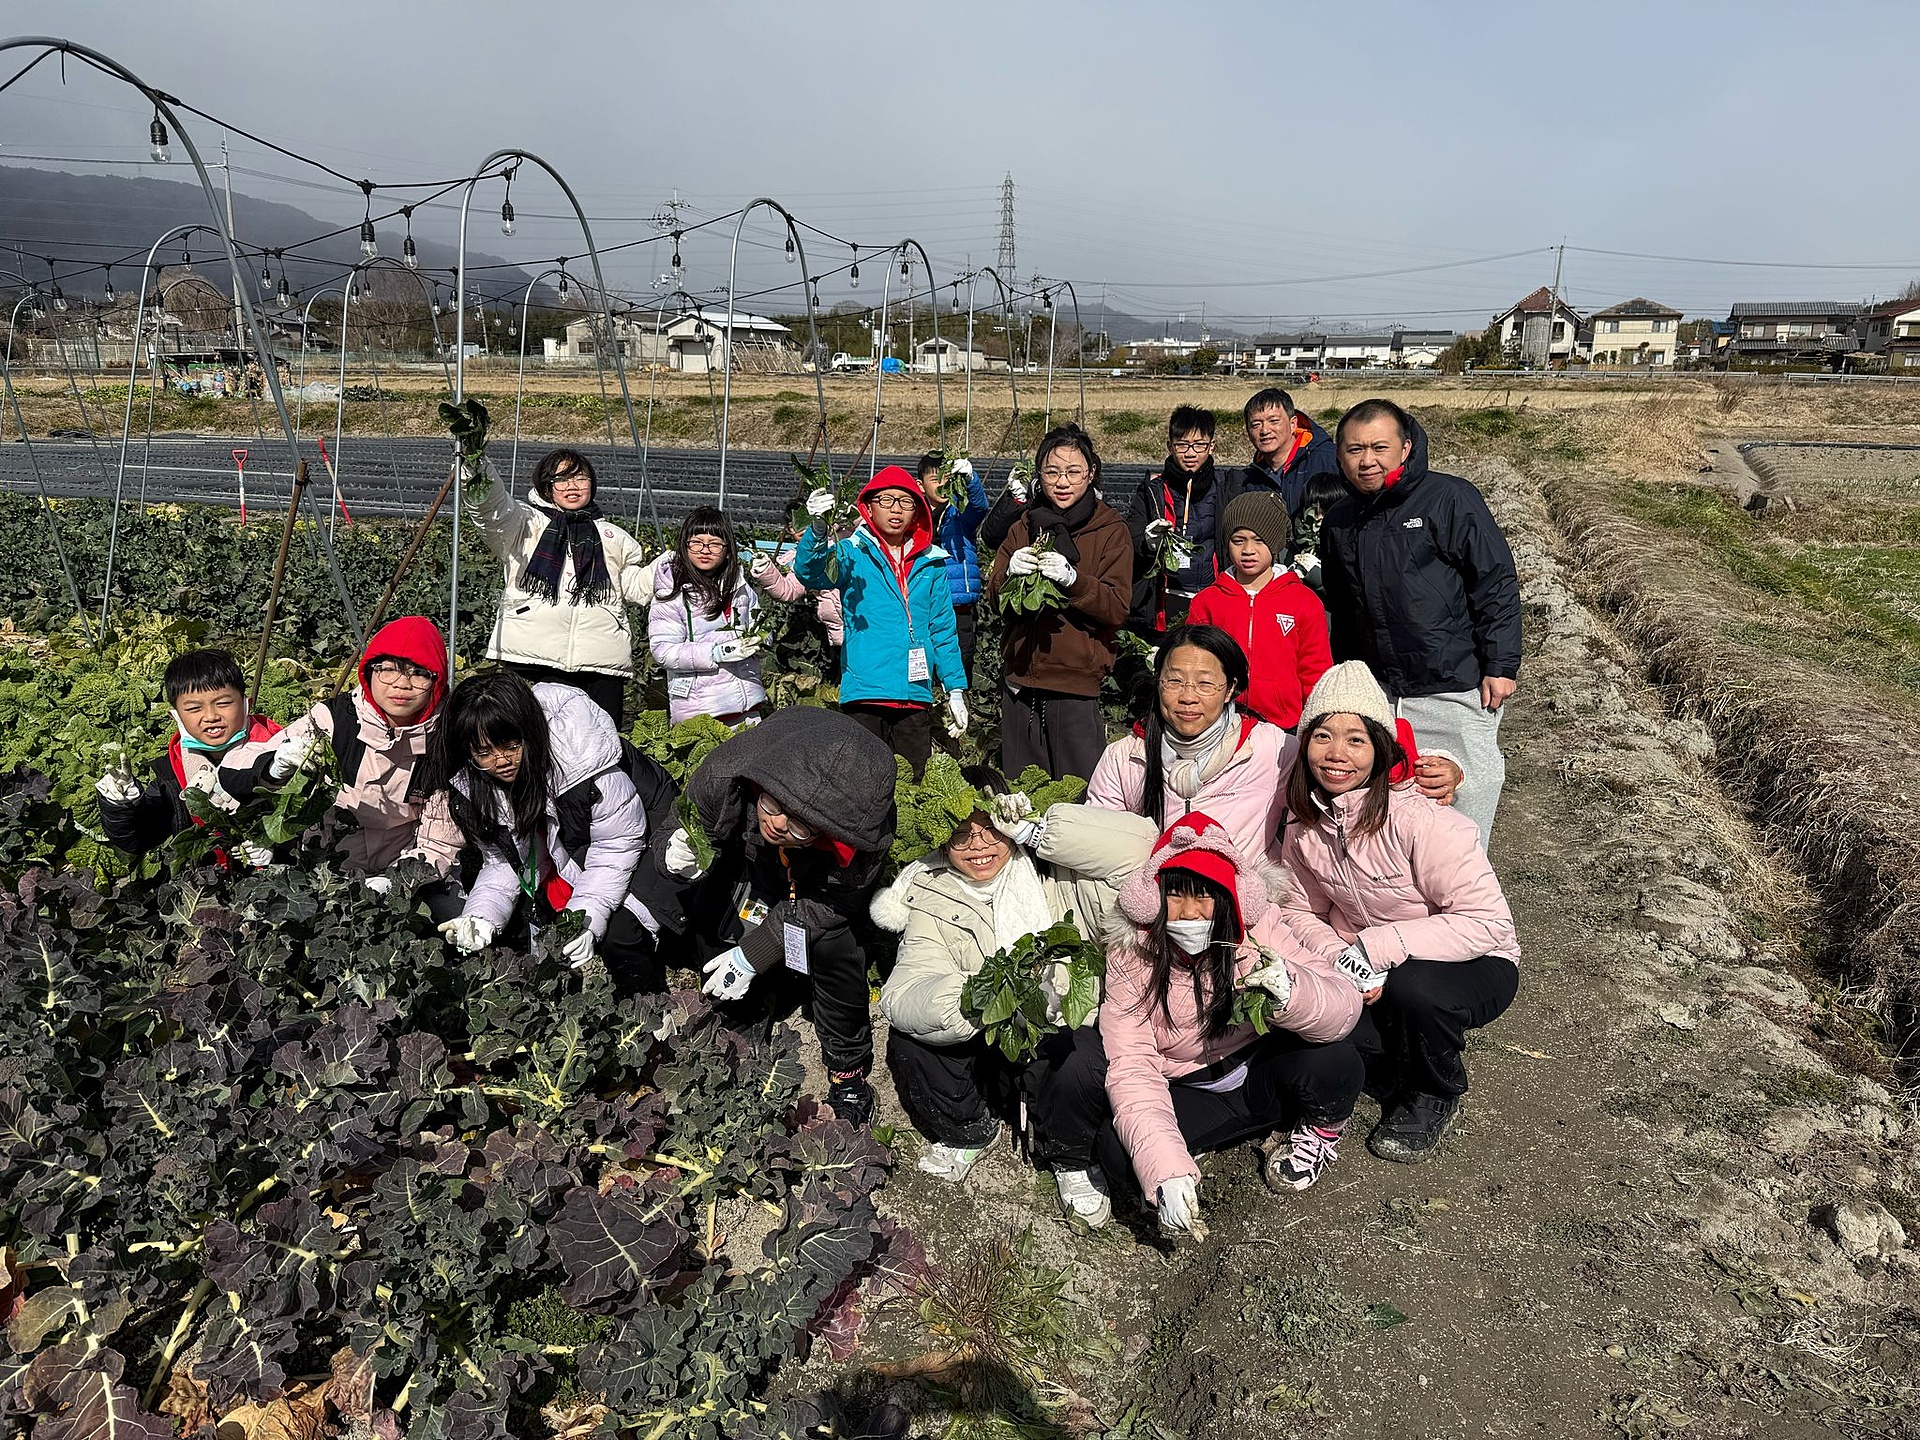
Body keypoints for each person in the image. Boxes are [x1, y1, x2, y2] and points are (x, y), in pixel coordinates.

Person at [875, 771, 1157, 1225]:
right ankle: (968, 1130)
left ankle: (1069, 1158)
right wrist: (977, 997)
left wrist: (1038, 831)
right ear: (942, 842)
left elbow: (1139, 847)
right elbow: (907, 986)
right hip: (985, 1032)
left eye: (991, 829)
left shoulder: (1053, 872)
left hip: (1057, 1023)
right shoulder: (930, 890)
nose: (979, 845)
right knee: (909, 1041)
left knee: (1082, 1058)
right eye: (961, 834)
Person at [1279, 661, 1520, 1162]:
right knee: (1312, 1015)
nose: (1337, 754)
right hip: (1363, 959)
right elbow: (1300, 911)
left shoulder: (1420, 819)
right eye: (1322, 736)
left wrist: (1377, 948)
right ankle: (1392, 1064)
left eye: (1356, 740)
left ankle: (1435, 1090)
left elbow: (1487, 922)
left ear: (1381, 748)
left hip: (1471, 959)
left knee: (1415, 993)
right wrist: (1342, 958)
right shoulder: (1304, 827)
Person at [1093, 813, 1365, 1236]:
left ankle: (1319, 1130)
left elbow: (1343, 1004)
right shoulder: (1132, 955)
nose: (1189, 914)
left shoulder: (1259, 930)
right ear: (1154, 899)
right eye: (1175, 895)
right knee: (1117, 1153)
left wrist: (1291, 993)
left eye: (1205, 896)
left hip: (1261, 1068)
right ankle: (1192, 1150)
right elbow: (1132, 1065)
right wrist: (1165, 1170)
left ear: (1229, 897)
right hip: (1191, 1085)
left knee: (1337, 1060)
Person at [671, 706, 898, 1125]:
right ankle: (747, 1012)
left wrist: (752, 955)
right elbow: (680, 820)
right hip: (746, 861)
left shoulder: (864, 835)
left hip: (814, 889)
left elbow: (829, 906)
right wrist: (674, 855)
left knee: (833, 946)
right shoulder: (726, 774)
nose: (777, 825)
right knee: (714, 912)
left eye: (799, 826)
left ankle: (848, 1072)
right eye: (773, 806)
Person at [1319, 399, 1522, 844]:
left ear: (1405, 448)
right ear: (1339, 455)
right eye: (1354, 450)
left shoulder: (1449, 498)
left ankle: (1470, 884)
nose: (1367, 460)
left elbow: (1494, 581)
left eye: (1379, 448)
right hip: (1379, 690)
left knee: (1465, 800)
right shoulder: (1338, 520)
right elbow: (1341, 606)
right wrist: (1349, 679)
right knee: (1390, 810)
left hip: (1452, 683)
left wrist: (1501, 664)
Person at [429, 670, 661, 992]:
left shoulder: (586, 764)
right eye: (484, 753)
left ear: (530, 730)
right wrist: (481, 916)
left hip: (652, 844)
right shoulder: (477, 784)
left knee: (621, 931)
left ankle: (646, 1003)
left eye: (511, 745)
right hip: (573, 851)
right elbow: (504, 862)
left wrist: (588, 917)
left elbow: (617, 846)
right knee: (524, 915)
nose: (501, 760)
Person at [221, 616, 463, 891]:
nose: (401, 684)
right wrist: (274, 767)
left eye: (419, 673)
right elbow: (233, 769)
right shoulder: (334, 720)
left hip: (408, 871)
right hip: (324, 868)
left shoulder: (446, 742)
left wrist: (394, 882)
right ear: (369, 671)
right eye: (388, 669)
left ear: (437, 681)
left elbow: (440, 844)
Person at [463, 447, 659, 726]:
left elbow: (637, 586)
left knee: (600, 741)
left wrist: (679, 562)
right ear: (547, 486)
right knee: (533, 740)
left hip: (600, 662)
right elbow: (491, 508)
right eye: (562, 479)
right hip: (532, 658)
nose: (572, 486)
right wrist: (475, 465)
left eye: (580, 478)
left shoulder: (612, 538)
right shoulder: (525, 524)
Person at [794, 466, 967, 778]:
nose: (896, 509)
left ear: (917, 511)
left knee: (915, 781)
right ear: (869, 508)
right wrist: (817, 529)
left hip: (915, 694)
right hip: (866, 691)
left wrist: (954, 688)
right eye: (886, 500)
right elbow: (810, 572)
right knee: (862, 780)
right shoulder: (852, 553)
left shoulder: (932, 562)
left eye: (906, 502)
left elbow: (942, 629)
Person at [983, 424, 1133, 783]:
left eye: (1073, 472)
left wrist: (1074, 581)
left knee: (1078, 791)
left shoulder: (1110, 530)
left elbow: (1116, 607)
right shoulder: (1024, 526)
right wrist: (1007, 576)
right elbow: (994, 598)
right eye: (1052, 472)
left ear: (1091, 473)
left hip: (1075, 684)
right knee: (1022, 790)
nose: (1062, 482)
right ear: (1039, 475)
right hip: (1022, 679)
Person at [95, 647, 281, 860]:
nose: (211, 716)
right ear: (176, 716)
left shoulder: (283, 756)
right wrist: (122, 806)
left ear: (247, 704)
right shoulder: (173, 772)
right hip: (208, 876)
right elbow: (140, 839)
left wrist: (278, 846)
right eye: (194, 709)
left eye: (223, 703)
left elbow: (308, 824)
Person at [1183, 494, 1332, 731]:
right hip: (1220, 723)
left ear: (1274, 542)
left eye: (1259, 540)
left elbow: (1315, 670)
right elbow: (1191, 663)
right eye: (1238, 540)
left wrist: (1315, 725)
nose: (1248, 550)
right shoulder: (1208, 601)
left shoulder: (1303, 601)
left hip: (1285, 726)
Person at [647, 506, 792, 727]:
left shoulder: (741, 588)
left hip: (748, 705)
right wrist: (716, 653)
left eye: (714, 544)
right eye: (697, 542)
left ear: (727, 549)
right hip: (702, 712)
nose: (705, 550)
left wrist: (760, 641)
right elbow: (664, 651)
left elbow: (761, 627)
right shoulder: (672, 594)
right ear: (685, 545)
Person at [1212, 388, 1339, 570]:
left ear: (1293, 424)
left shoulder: (1329, 461)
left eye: (1274, 421)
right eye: (1256, 424)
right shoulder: (1249, 479)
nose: (1265, 430)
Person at [1124, 405, 1222, 634]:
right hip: (1166, 598)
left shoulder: (1225, 486)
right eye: (1182, 445)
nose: (1191, 453)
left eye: (1199, 445)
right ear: (1170, 446)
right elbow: (1131, 539)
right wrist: (1148, 543)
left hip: (1211, 596)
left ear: (1211, 446)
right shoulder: (1152, 490)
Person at [919, 451, 990, 680]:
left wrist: (971, 480)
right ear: (920, 485)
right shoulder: (915, 517)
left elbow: (979, 507)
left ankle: (957, 696)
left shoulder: (960, 513)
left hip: (957, 604)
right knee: (924, 658)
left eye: (947, 478)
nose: (942, 484)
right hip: (924, 603)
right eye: (935, 479)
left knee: (961, 656)